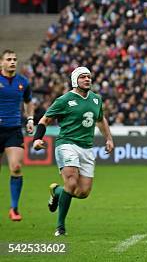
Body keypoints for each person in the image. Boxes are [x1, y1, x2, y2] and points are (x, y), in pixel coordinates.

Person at [32, 67, 114, 236]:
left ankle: (56, 191)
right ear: (75, 80)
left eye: (89, 77)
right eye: (83, 77)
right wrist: (37, 139)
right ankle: (60, 227)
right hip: (66, 144)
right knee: (71, 182)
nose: (87, 79)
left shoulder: (96, 99)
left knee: (83, 192)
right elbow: (45, 120)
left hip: (86, 147)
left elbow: (100, 119)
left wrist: (109, 138)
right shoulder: (64, 100)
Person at [0, 50, 34, 221]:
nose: (12, 62)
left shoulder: (23, 82)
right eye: (9, 59)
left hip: (13, 130)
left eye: (14, 59)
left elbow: (29, 101)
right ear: (1, 63)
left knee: (16, 167)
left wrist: (29, 118)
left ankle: (14, 208)